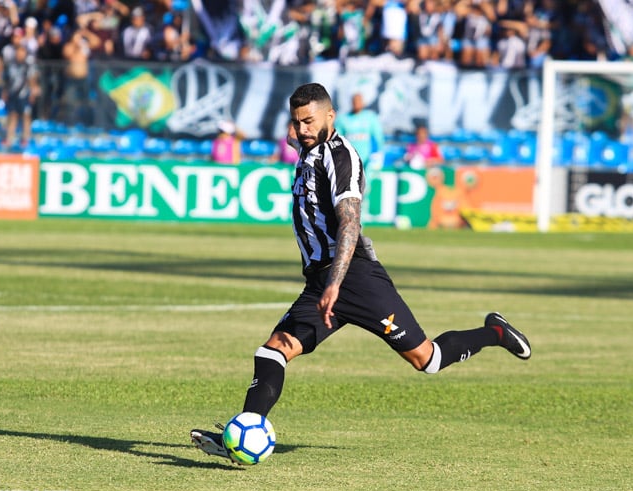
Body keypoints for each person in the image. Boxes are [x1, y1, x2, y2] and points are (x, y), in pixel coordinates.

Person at [191, 83, 531, 462]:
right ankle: (244, 432)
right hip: (321, 280)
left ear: (331, 117)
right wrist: (297, 127)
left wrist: (335, 284)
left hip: (353, 277)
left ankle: (494, 332)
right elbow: (295, 135)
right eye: (297, 122)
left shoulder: (341, 159)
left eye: (310, 121)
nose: (302, 129)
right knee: (272, 352)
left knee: (428, 360)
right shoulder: (306, 145)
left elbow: (350, 223)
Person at [333, 91, 385, 168]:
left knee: (366, 178)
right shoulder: (343, 119)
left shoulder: (370, 117)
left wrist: (379, 152)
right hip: (348, 159)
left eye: (359, 100)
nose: (357, 103)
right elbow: (336, 138)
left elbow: (378, 136)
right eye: (355, 101)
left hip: (366, 160)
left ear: (363, 102)